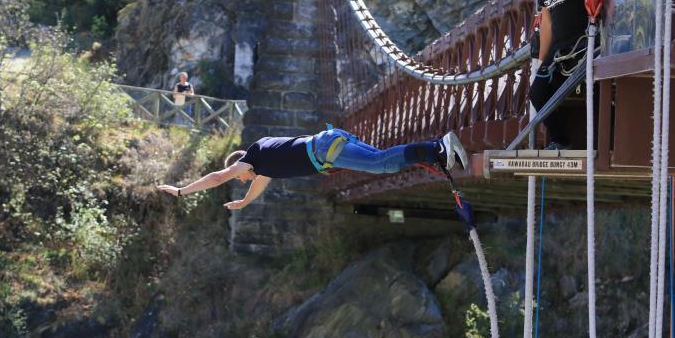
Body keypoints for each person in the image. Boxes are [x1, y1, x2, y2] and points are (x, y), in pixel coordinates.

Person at [156, 128, 469, 211]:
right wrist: (244, 202)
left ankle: (437, 148)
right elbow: (259, 184)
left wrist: (182, 191)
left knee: (381, 165)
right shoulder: (265, 159)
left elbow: (218, 176)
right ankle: (439, 151)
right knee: (383, 160)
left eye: (240, 177)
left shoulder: (253, 156)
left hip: (324, 150)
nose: (243, 179)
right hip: (331, 140)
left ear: (241, 167)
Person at [528, 0, 597, 150]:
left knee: (593, 93)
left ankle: (596, 142)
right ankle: (560, 140)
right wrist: (540, 63)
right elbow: (546, 26)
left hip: (581, 47)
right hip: (558, 53)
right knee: (537, 94)